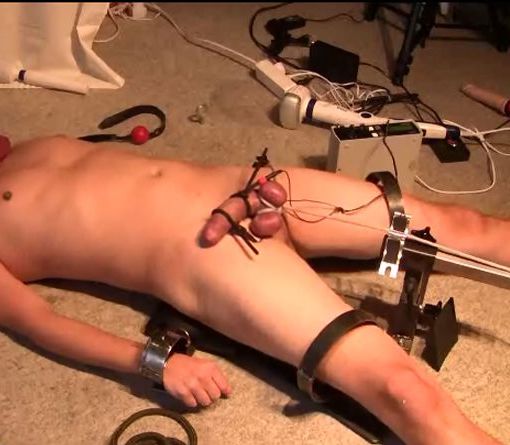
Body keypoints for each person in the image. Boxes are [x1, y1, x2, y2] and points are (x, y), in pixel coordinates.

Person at [0, 134, 505, 445]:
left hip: (248, 188)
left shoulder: (23, 147)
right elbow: (40, 323)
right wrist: (153, 362)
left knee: (463, 226)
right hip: (205, 256)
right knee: (404, 392)